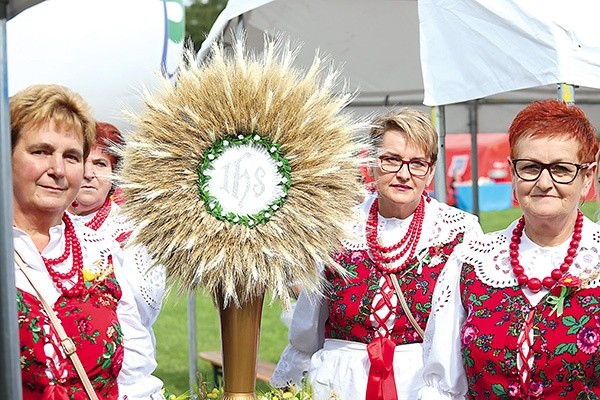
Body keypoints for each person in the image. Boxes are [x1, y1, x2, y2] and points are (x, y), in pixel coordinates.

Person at [270, 108, 483, 400]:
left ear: (431, 171)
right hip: (341, 384)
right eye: (391, 160)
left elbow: (470, 327)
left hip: (420, 387)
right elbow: (309, 319)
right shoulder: (339, 225)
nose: (404, 174)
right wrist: (293, 378)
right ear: (371, 163)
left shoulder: (458, 231)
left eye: (417, 163)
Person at [420, 99, 600, 399]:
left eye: (561, 168)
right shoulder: (471, 262)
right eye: (530, 167)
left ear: (587, 178)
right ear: (513, 174)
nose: (544, 182)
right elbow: (442, 387)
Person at [11, 84, 164, 399]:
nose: (57, 170)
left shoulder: (102, 251)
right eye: (41, 151)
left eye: (71, 156)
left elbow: (136, 379)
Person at [67, 122, 165, 345]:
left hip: (122, 356)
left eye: (100, 164)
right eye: (80, 161)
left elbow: (145, 311)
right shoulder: (46, 222)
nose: (89, 173)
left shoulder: (133, 230)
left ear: (114, 175)